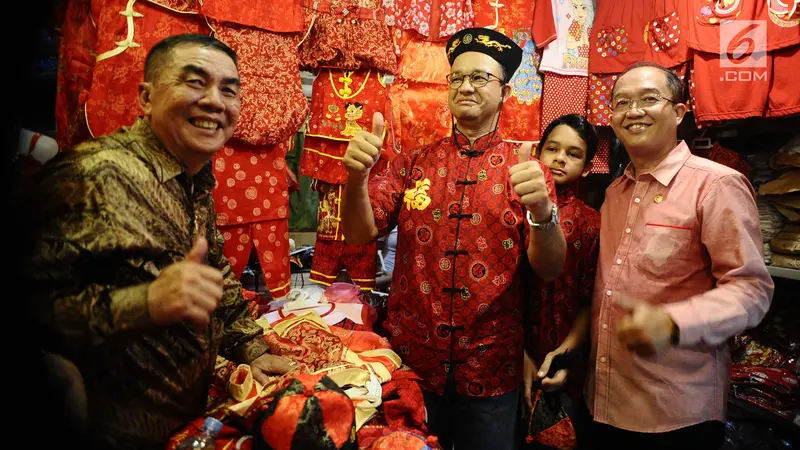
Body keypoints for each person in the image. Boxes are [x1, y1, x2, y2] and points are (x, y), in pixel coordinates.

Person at [22, 34, 292, 449]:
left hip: (178, 425)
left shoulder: (195, 177)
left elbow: (214, 269)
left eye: (228, 90)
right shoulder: (93, 176)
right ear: (146, 98)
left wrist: (252, 349)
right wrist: (146, 303)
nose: (215, 102)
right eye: (195, 82)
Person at [340, 27, 567, 450]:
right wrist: (356, 178)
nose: (465, 85)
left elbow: (550, 268)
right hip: (413, 361)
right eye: (457, 77)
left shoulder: (528, 171)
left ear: (504, 93)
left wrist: (541, 213)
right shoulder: (415, 162)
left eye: (480, 78)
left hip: (491, 365)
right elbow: (359, 232)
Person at [586, 61, 774, 449]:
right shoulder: (612, 194)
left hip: (676, 410)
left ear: (678, 111)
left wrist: (673, 322)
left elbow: (752, 289)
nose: (633, 110)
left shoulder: (716, 184)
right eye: (621, 102)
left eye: (649, 99)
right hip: (603, 399)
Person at [522, 114, 600, 446]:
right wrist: (519, 353)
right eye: (551, 148)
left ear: (586, 166)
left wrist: (566, 353)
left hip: (566, 355)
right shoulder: (512, 208)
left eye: (573, 153)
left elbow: (589, 299)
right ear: (537, 153)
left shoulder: (591, 222)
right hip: (506, 351)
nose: (559, 159)